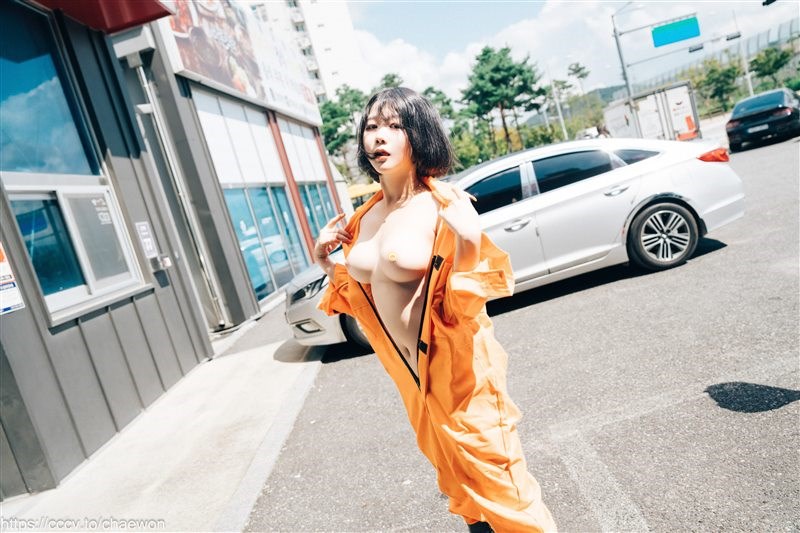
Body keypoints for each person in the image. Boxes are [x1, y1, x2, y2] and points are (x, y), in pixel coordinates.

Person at [315, 87, 556, 533]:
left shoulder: (442, 205)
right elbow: (363, 299)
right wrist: (327, 263)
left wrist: (468, 241)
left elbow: (466, 303)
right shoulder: (363, 217)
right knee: (463, 489)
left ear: (419, 134)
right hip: (412, 378)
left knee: (505, 491)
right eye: (372, 126)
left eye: (395, 126)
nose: (379, 136)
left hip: (461, 374)